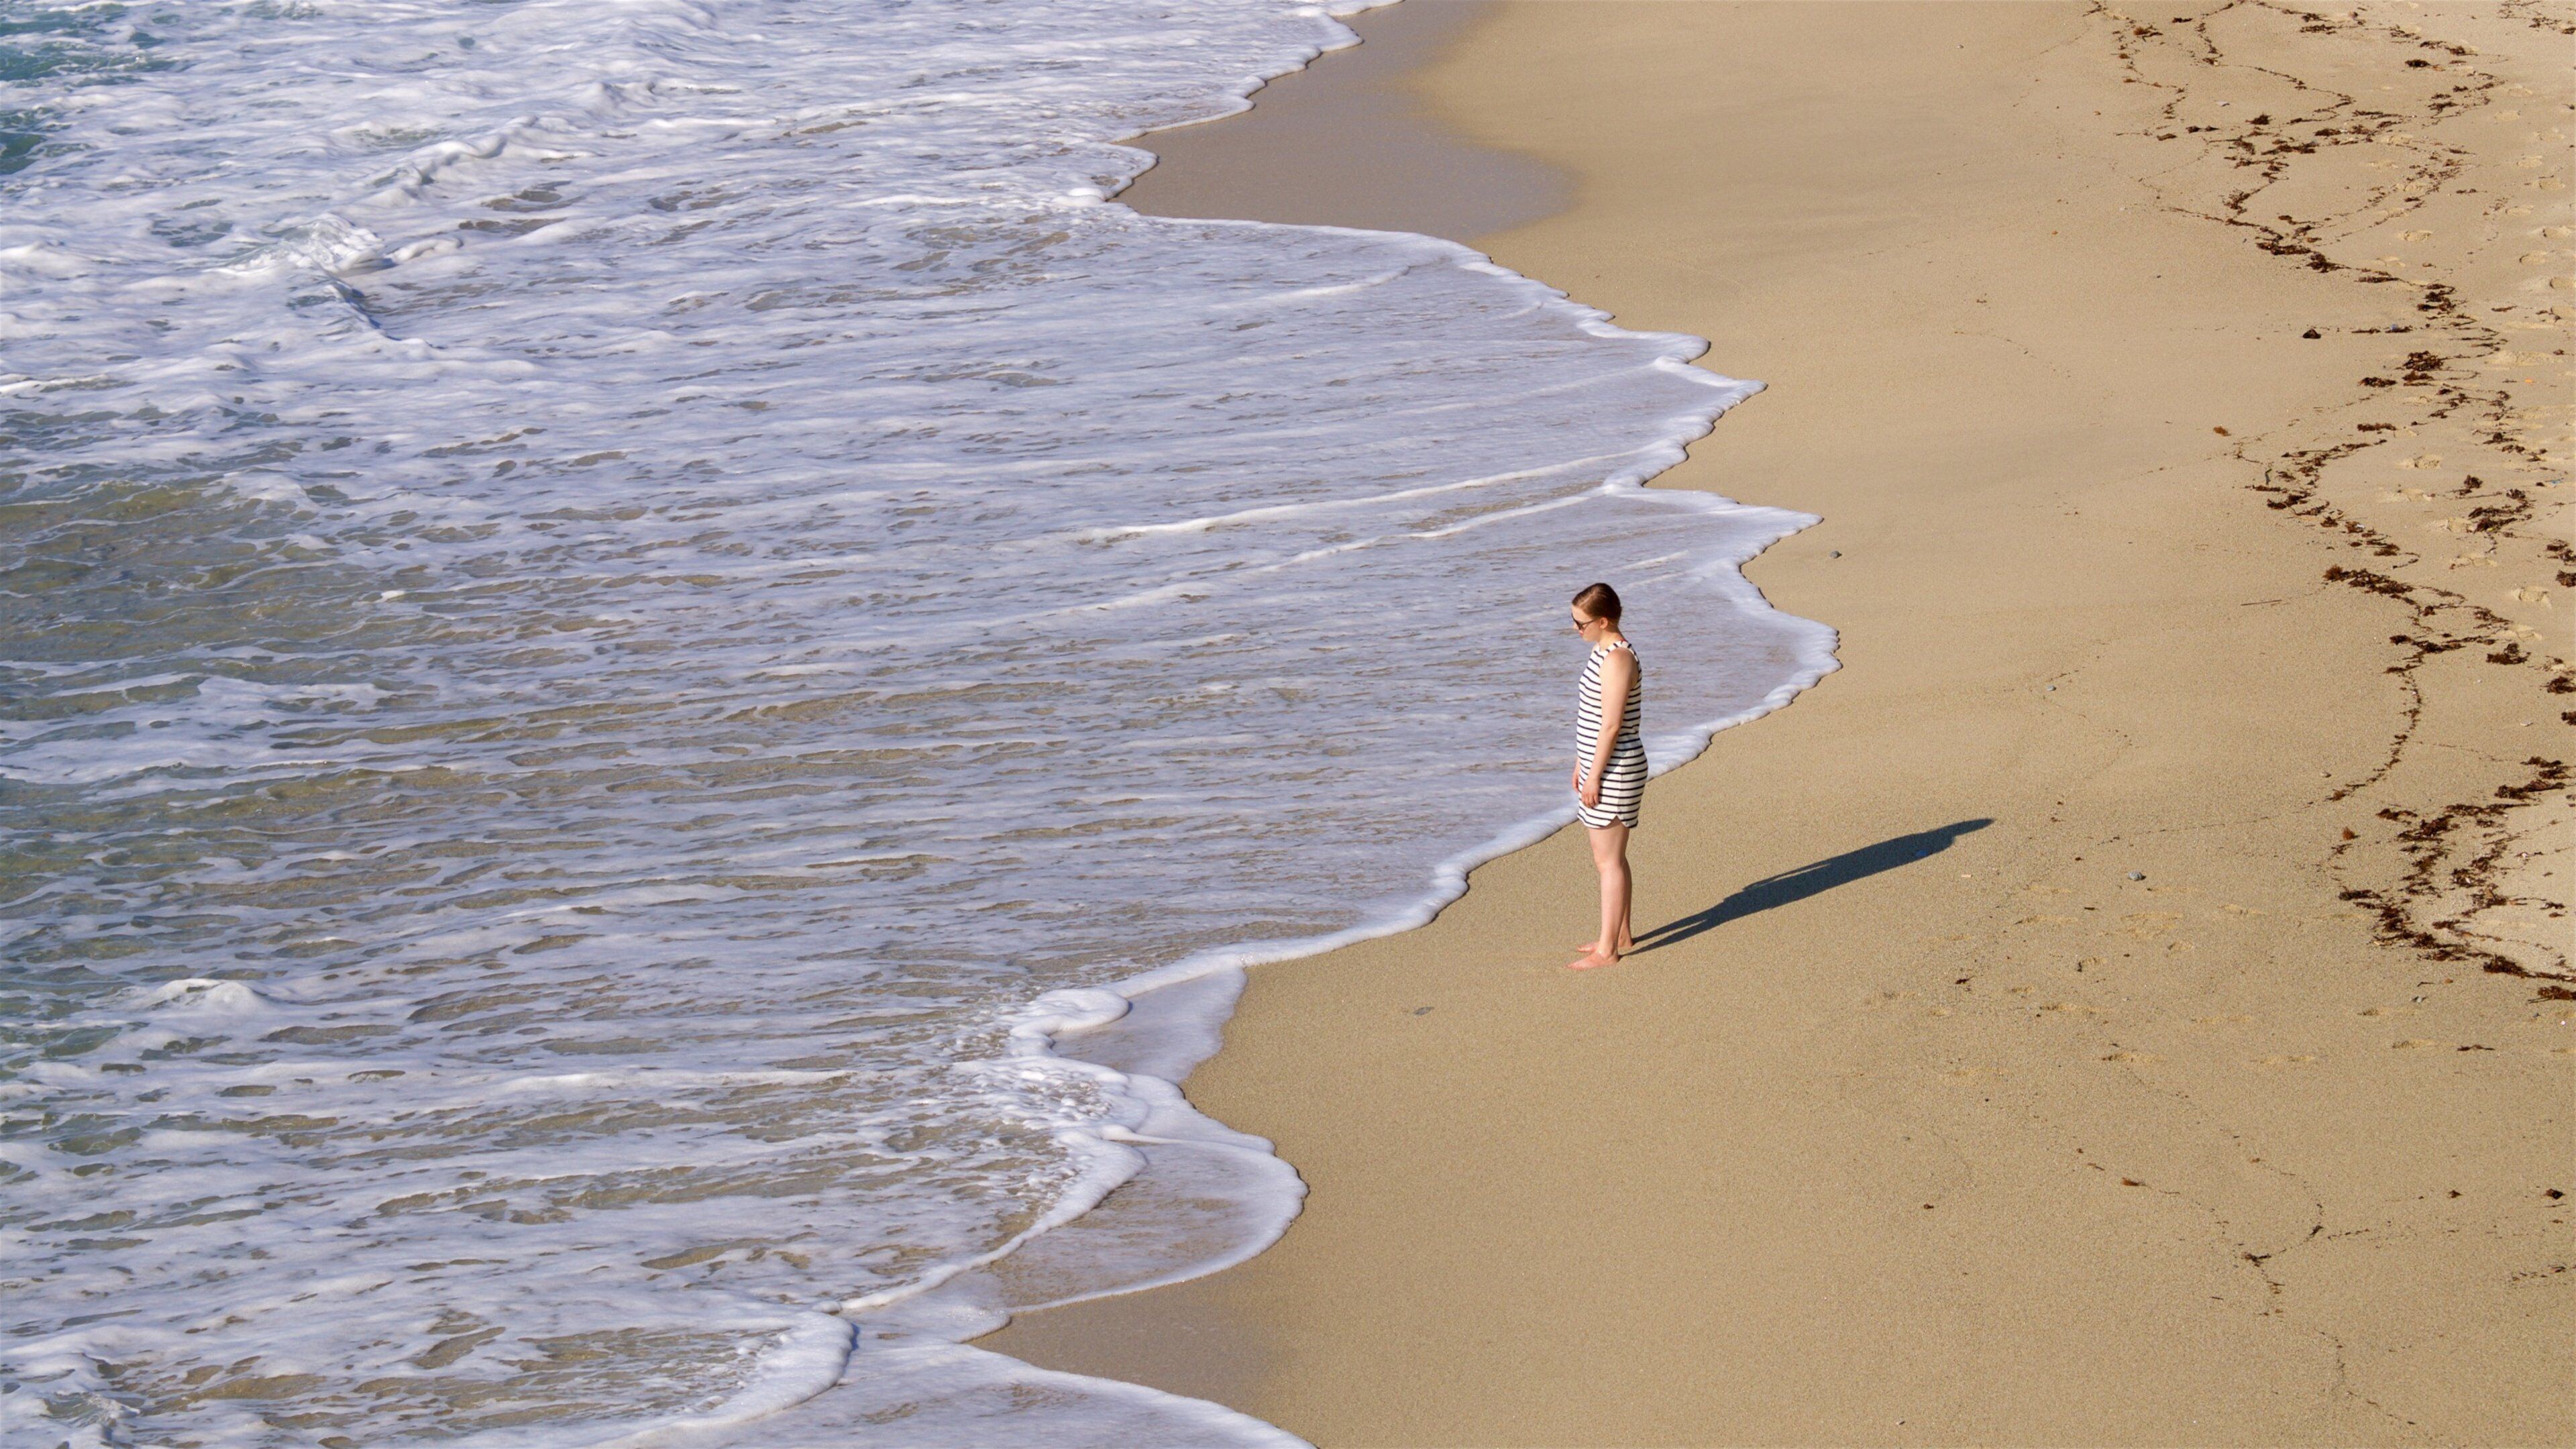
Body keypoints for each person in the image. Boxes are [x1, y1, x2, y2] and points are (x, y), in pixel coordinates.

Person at [1567, 582, 1644, 970]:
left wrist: (1594, 775)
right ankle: (1620, 934)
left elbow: (1612, 725)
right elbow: (1592, 717)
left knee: (1607, 862)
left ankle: (1608, 950)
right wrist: (1581, 762)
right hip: (1602, 764)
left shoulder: (1618, 659)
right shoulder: (1601, 651)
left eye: (1580, 623)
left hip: (1616, 768)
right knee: (1613, 857)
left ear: (1602, 621)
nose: (1575, 629)